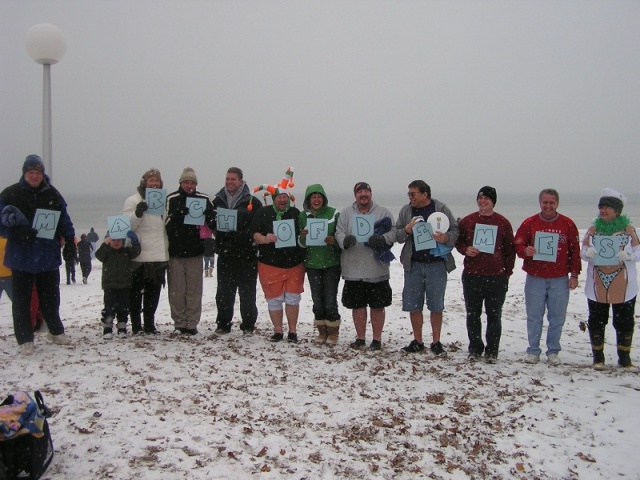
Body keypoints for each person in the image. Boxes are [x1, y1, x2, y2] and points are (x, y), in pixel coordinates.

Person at [0, 154, 75, 355]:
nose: (34, 176)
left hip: (47, 255)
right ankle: (25, 338)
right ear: (24, 174)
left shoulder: (53, 194)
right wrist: (15, 231)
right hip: (21, 257)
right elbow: (1, 221)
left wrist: (70, 241)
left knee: (51, 298)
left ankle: (55, 331)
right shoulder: (10, 194)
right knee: (22, 300)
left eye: (37, 172)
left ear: (43, 174)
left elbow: (64, 220)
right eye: (30, 172)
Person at [514, 188, 581, 365]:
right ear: (540, 203)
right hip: (535, 276)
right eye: (545, 202)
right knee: (534, 315)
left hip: (559, 277)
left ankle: (553, 351)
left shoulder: (568, 224)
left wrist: (574, 275)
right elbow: (518, 245)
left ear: (557, 203)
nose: (548, 206)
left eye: (551, 202)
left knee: (557, 316)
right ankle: (533, 350)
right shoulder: (530, 223)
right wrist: (525, 251)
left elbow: (574, 251)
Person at [395, 180, 457, 356]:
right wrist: (406, 231)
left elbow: (455, 231)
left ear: (425, 194)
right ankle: (418, 341)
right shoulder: (406, 211)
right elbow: (396, 235)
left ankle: (436, 342)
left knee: (436, 305)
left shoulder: (440, 208)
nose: (410, 197)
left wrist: (445, 238)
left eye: (413, 194)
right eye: (409, 194)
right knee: (414, 305)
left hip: (436, 264)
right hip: (413, 263)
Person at [455, 186, 515, 363]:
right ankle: (475, 347)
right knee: (473, 314)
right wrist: (466, 249)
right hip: (472, 275)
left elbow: (510, 251)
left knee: (494, 315)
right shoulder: (468, 220)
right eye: (480, 198)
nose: (483, 202)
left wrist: (507, 274)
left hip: (496, 276)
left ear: (493, 202)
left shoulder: (503, 223)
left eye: (487, 199)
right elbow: (458, 243)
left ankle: (492, 350)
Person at [580, 188, 639, 370]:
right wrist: (587, 254)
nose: (603, 211)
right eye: (601, 207)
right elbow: (583, 250)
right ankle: (598, 357)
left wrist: (629, 255)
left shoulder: (629, 230)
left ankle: (624, 358)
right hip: (597, 284)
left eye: (607, 207)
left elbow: (639, 250)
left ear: (617, 210)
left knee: (624, 321)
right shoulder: (593, 229)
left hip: (624, 284)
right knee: (597, 320)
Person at [335, 182, 396, 351]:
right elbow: (338, 231)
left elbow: (393, 232)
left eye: (366, 191)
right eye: (360, 192)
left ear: (371, 193)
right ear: (355, 195)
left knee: (377, 306)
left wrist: (382, 239)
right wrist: (344, 241)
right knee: (358, 305)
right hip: (353, 268)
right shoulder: (346, 213)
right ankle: (360, 338)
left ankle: (377, 340)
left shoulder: (383, 212)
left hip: (377, 268)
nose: (363, 194)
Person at [251, 184, 305, 343]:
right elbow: (254, 234)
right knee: (274, 299)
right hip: (270, 263)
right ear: (274, 199)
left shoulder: (295, 213)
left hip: (294, 263)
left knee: (293, 298)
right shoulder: (263, 213)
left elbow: (302, 235)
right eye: (279, 197)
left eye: (285, 197)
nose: (282, 199)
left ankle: (293, 331)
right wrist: (265, 239)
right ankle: (278, 330)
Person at [165, 167, 216, 335]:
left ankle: (192, 323)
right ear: (181, 183)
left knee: (194, 291)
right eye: (187, 182)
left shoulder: (203, 198)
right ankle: (179, 323)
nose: (189, 185)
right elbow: (164, 223)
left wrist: (208, 215)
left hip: (195, 252)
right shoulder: (172, 199)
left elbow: (214, 222)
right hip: (175, 253)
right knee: (177, 291)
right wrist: (179, 215)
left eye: (192, 182)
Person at [211, 167, 262, 334]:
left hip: (247, 255)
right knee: (224, 293)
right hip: (225, 254)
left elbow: (257, 226)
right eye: (227, 179)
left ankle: (248, 325)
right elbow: (211, 222)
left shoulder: (252, 202)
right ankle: (223, 324)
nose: (229, 182)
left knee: (247, 293)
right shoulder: (218, 201)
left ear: (241, 181)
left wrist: (241, 235)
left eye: (233, 179)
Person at [123, 168, 169, 334]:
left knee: (153, 293)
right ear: (145, 182)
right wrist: (137, 213)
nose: (154, 184)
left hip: (158, 254)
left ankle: (149, 323)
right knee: (136, 293)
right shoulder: (133, 200)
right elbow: (126, 226)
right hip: (139, 254)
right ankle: (136, 325)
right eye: (151, 181)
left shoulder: (164, 201)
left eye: (157, 181)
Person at [298, 184, 342, 345]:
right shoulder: (303, 216)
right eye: (313, 197)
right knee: (317, 299)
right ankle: (321, 331)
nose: (316, 200)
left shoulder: (334, 213)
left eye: (319, 196)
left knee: (330, 298)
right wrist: (303, 237)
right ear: (308, 200)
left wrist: (334, 241)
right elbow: (300, 244)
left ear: (324, 198)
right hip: (312, 264)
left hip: (331, 263)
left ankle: (333, 331)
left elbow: (342, 236)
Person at [95, 231, 141, 339]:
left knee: (123, 308)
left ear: (123, 241)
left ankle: (122, 328)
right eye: (113, 240)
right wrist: (105, 244)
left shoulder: (126, 252)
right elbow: (99, 255)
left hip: (124, 286)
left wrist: (135, 242)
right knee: (109, 309)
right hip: (109, 286)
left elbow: (136, 252)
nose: (116, 243)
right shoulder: (107, 252)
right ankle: (107, 329)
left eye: (119, 240)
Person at [0, 236, 13, 304]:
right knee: (18, 304)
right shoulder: (9, 241)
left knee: (18, 303)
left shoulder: (8, 241)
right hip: (10, 276)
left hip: (9, 277)